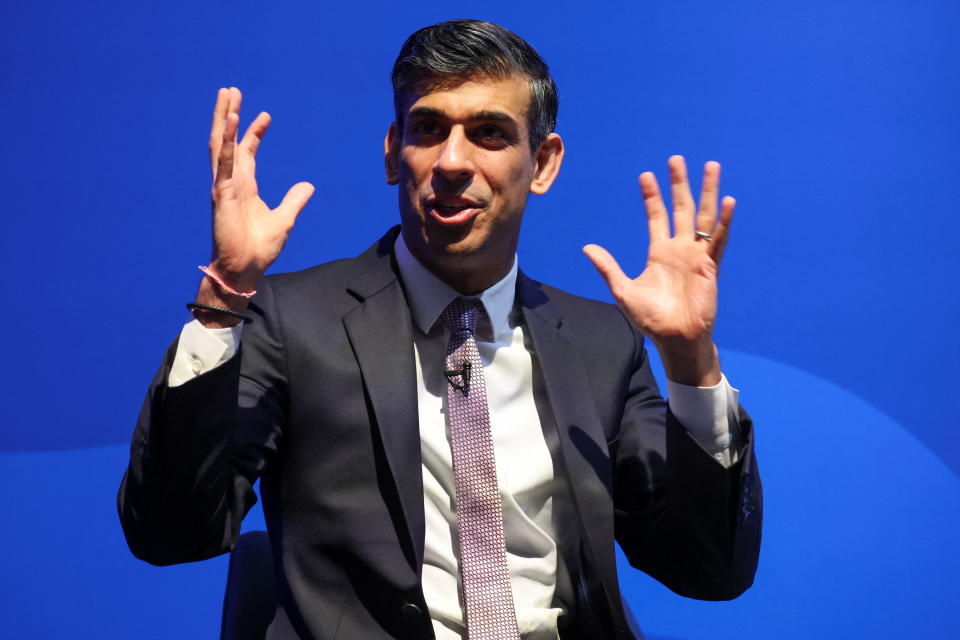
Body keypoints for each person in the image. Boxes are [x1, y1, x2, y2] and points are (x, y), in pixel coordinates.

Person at [119, 19, 761, 640]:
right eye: (428, 129)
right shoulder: (292, 321)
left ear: (542, 163)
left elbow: (708, 570)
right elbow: (171, 533)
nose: (452, 161)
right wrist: (223, 294)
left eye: (488, 133)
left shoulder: (601, 343)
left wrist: (689, 361)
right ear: (395, 154)